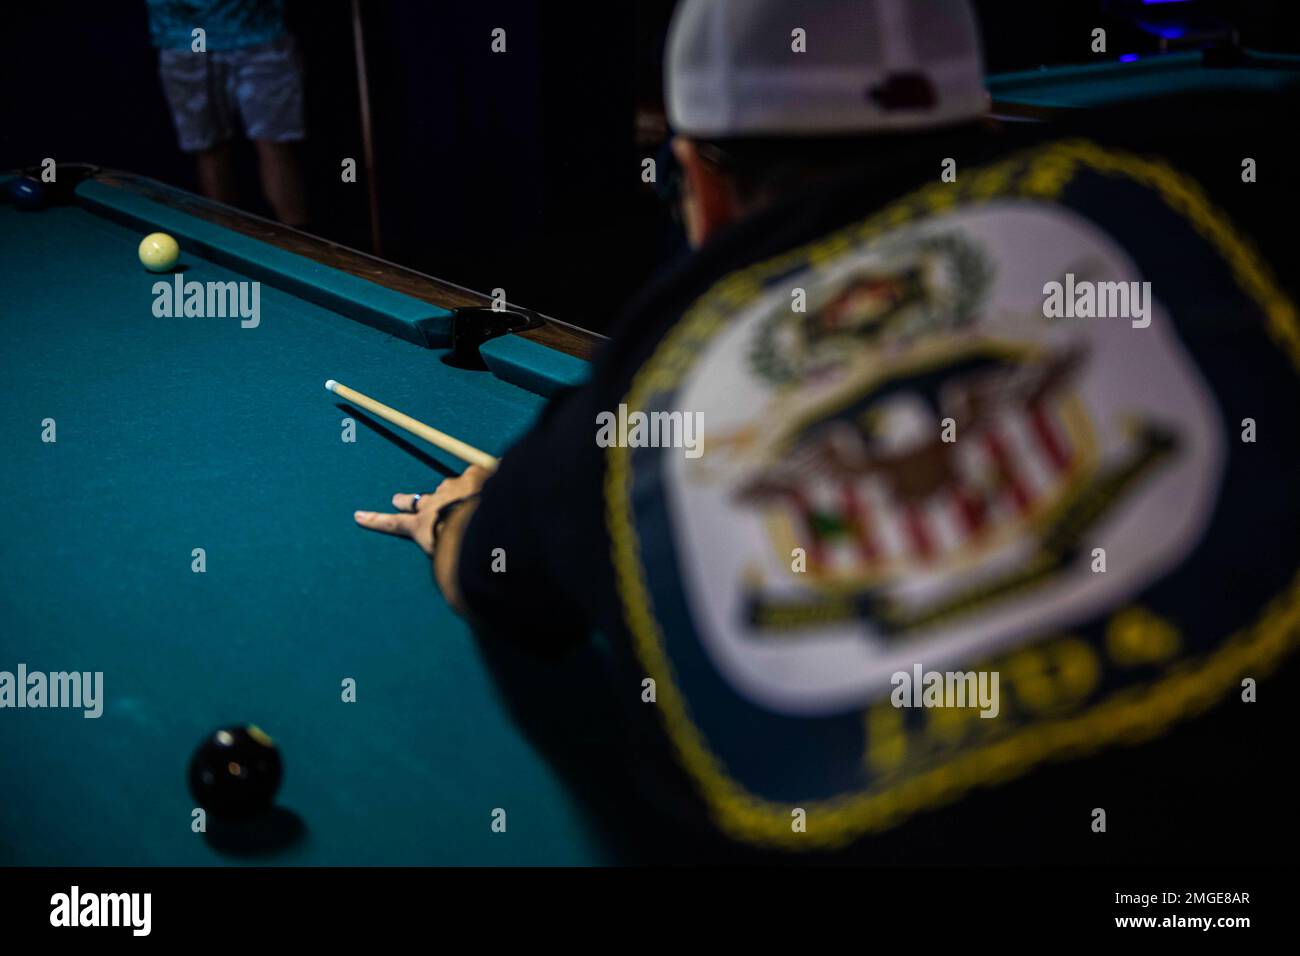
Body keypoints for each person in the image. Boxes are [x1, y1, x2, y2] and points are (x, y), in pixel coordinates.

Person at [355, 0, 1300, 862]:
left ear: (699, 182)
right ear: (979, 129)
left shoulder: (636, 398)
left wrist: (463, 515)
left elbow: (492, 578)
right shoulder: (1204, 184)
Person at [147, 0, 309, 227]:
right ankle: (223, 240)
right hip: (183, 34)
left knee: (276, 143)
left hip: (259, 30)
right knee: (208, 147)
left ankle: (300, 251)